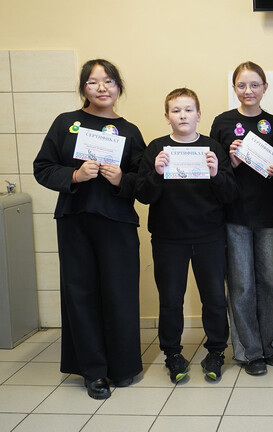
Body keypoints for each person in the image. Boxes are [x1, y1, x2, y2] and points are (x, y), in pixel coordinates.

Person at [33, 59, 145, 399]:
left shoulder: (129, 131)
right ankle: (93, 371)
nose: (101, 88)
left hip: (118, 223)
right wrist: (75, 175)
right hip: (75, 220)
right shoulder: (66, 123)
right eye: (93, 82)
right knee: (81, 294)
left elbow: (144, 183)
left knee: (120, 294)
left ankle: (123, 366)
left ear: (118, 87)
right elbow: (43, 167)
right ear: (84, 88)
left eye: (108, 81)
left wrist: (121, 179)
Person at [136, 88, 238, 383]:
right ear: (166, 116)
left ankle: (216, 352)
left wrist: (216, 174)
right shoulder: (156, 148)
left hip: (209, 236)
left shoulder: (212, 148)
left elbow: (231, 195)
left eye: (189, 110)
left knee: (214, 299)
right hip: (168, 238)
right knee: (170, 300)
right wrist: (156, 173)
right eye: (176, 110)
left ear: (199, 115)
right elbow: (142, 195)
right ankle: (172, 354)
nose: (183, 115)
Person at [210, 61, 273, 376]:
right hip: (234, 214)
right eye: (241, 85)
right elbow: (214, 172)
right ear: (234, 88)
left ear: (265, 87)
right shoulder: (223, 122)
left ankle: (269, 345)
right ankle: (249, 351)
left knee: (270, 284)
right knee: (241, 285)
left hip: (267, 213)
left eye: (255, 84)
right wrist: (231, 161)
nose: (248, 91)